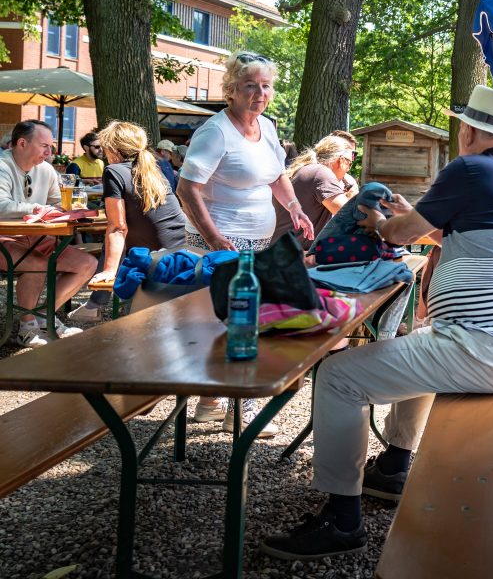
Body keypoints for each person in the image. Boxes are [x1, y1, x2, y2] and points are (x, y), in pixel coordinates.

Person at [259, 85, 493, 561]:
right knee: (423, 339)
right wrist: (410, 217)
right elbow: (451, 232)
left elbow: (398, 235)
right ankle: (394, 465)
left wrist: (380, 222)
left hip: (487, 348)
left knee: (336, 376)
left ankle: (342, 520)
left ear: (469, 131)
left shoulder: (469, 167)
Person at [176, 52, 314, 434]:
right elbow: (187, 187)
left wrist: (295, 207)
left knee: (230, 319)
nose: (259, 93)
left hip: (257, 240)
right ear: (231, 91)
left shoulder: (266, 127)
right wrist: (214, 238)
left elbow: (276, 176)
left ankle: (209, 404)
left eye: (265, 85)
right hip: (219, 241)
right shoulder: (216, 132)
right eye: (250, 85)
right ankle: (242, 411)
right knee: (239, 320)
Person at [68, 122, 189, 323]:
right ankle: (94, 305)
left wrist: (107, 273)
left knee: (114, 236)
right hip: (183, 246)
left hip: (156, 255)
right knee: (118, 237)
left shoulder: (113, 171)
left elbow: (117, 227)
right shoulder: (159, 167)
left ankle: (95, 304)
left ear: (113, 149)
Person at [0, 120, 94, 346]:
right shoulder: (2, 165)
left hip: (38, 237)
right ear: (22, 143)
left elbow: (56, 204)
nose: (50, 152)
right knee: (37, 264)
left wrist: (70, 210)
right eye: (44, 146)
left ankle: (45, 316)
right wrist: (35, 208)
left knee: (87, 263)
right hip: (4, 239)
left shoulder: (46, 169)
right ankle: (27, 327)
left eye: (50, 147)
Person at [271, 133, 358, 248]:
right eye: (349, 163)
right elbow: (353, 217)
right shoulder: (321, 173)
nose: (348, 169)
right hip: (290, 257)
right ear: (340, 160)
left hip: (285, 252)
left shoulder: (309, 170)